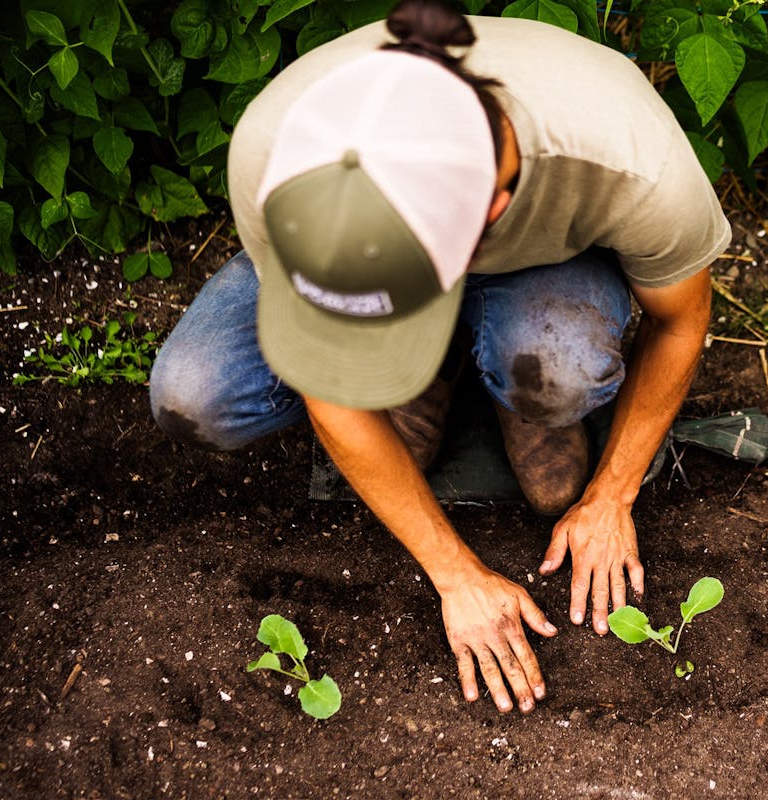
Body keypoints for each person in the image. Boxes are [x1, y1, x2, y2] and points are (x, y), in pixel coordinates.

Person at [149, 0, 730, 714]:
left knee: (563, 380)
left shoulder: (631, 159)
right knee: (195, 392)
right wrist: (455, 574)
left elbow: (681, 321)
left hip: (547, 263)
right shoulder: (285, 153)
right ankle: (443, 364)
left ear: (488, 209)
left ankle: (512, 378)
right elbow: (327, 387)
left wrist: (614, 494)